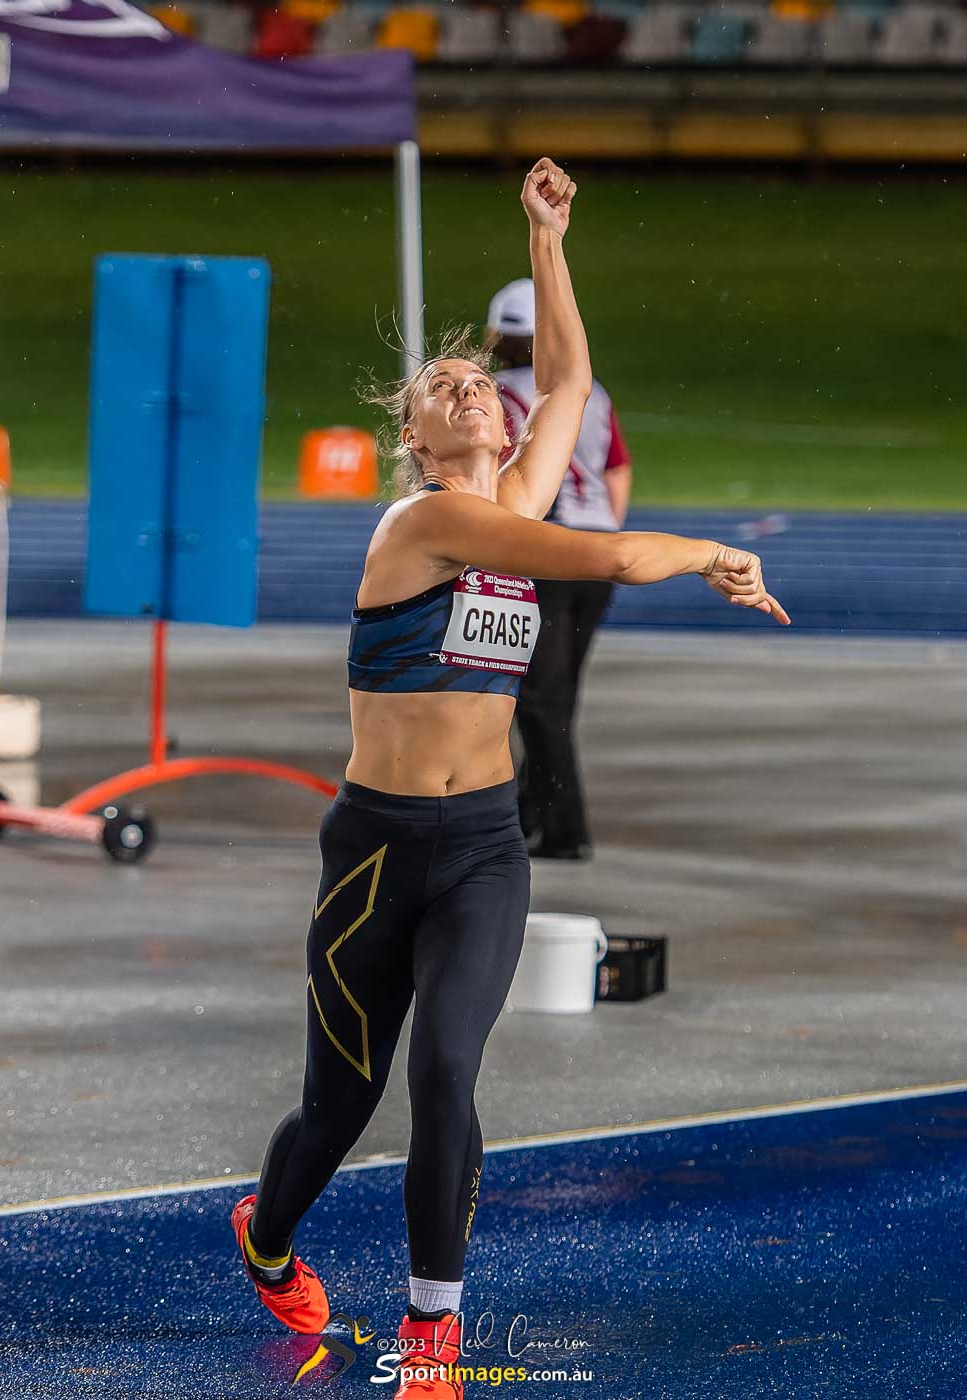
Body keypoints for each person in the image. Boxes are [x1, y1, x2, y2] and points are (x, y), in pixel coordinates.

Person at [230, 157, 789, 1400]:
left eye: (483, 379)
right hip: (376, 848)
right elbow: (599, 552)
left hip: (483, 844)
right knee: (337, 1105)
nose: (475, 390)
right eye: (446, 390)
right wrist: (705, 550)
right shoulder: (419, 524)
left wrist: (548, 235)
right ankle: (265, 1238)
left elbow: (574, 380)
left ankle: (432, 1336)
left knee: (446, 1072)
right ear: (414, 438)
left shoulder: (518, 484)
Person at [486, 277, 632, 858]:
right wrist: (602, 534)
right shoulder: (589, 391)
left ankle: (565, 830)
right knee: (557, 698)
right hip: (594, 554)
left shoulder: (491, 397)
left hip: (542, 551)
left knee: (539, 702)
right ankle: (533, 814)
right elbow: (617, 467)